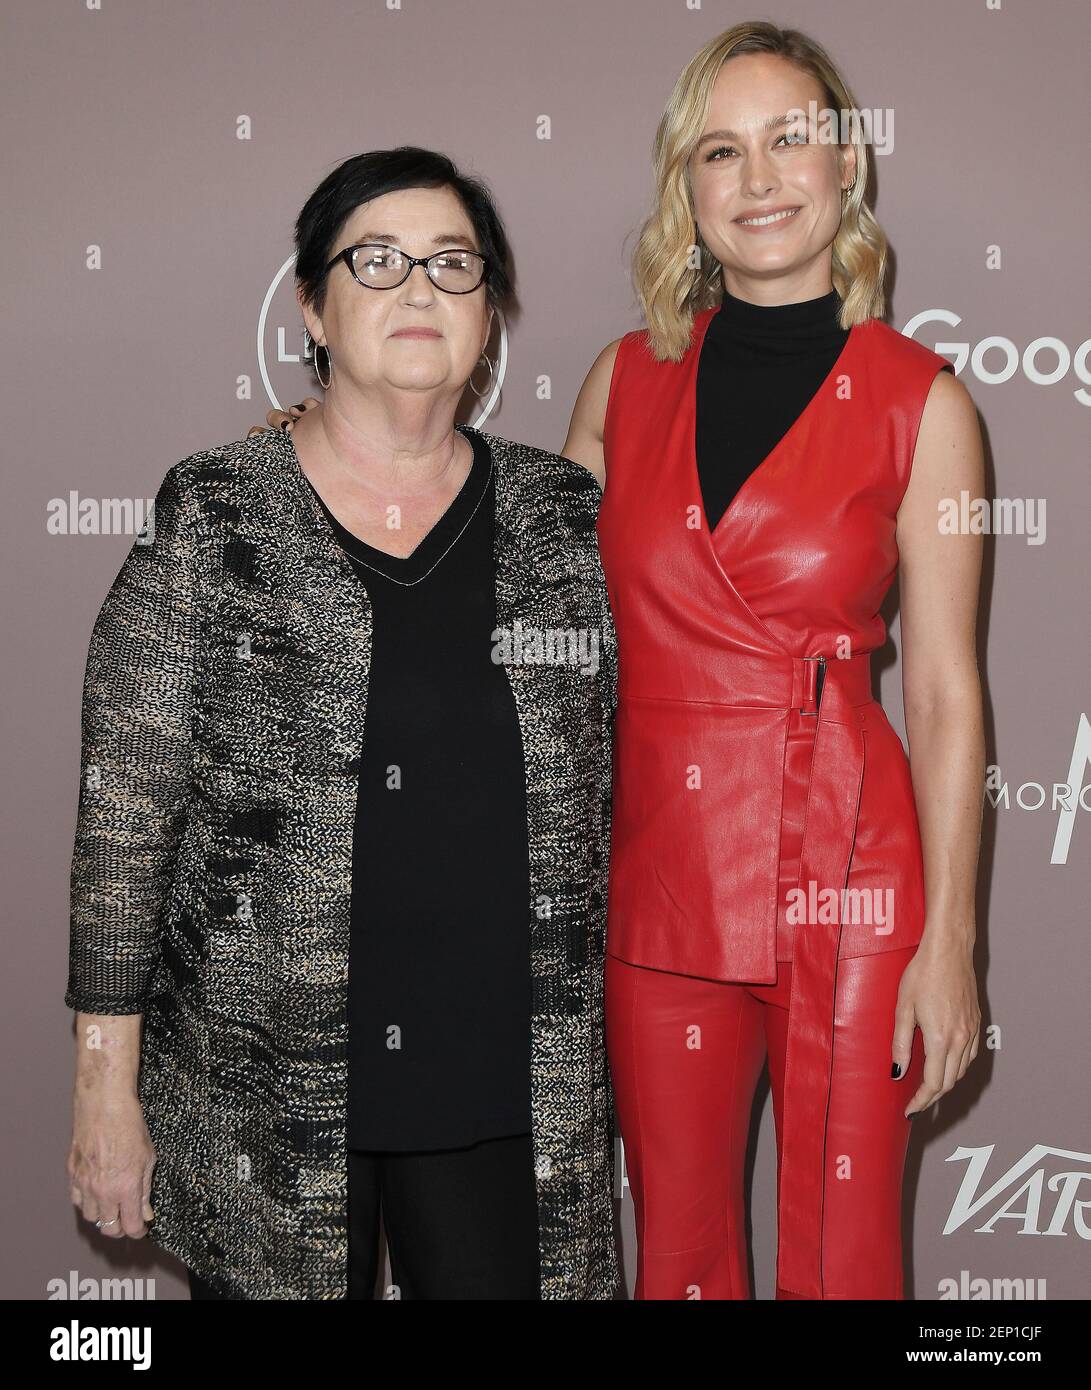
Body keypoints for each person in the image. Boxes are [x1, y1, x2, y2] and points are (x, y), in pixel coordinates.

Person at [64, 147, 619, 1300]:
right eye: (377, 260)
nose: (419, 288)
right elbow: (125, 822)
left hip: (499, 1081)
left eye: (453, 264)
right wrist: (104, 1088)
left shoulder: (564, 517)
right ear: (311, 305)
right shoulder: (216, 509)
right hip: (265, 1083)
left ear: (490, 312)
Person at [561, 22, 985, 1299]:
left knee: (843, 1261)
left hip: (850, 878)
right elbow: (524, 600)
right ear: (683, 189)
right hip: (661, 879)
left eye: (789, 137)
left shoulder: (923, 400)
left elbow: (947, 691)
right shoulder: (622, 383)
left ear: (845, 162)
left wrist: (951, 937)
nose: (757, 177)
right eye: (720, 149)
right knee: (679, 1260)